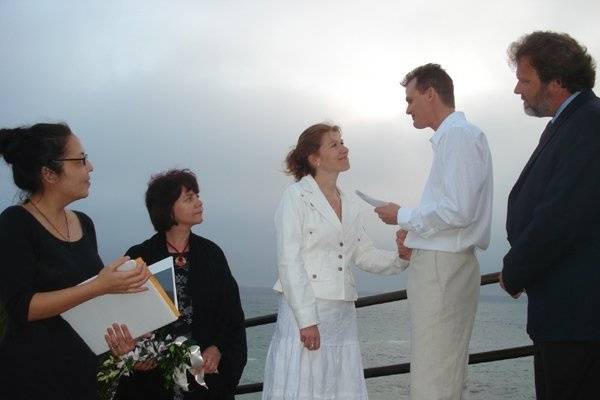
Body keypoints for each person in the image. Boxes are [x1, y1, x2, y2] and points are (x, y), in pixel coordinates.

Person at [0, 123, 150, 400]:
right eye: (80, 160)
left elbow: (90, 303)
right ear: (48, 173)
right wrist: (99, 286)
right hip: (31, 378)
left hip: (81, 374)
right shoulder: (15, 222)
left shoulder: (84, 223)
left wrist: (127, 332)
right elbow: (21, 306)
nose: (90, 167)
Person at [261, 123, 408, 400]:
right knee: (303, 388)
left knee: (337, 387)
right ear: (314, 158)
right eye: (335, 144)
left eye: (343, 142)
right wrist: (306, 321)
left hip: (341, 316)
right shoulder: (295, 198)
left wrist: (400, 258)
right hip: (306, 312)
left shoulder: (349, 204)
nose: (344, 148)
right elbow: (289, 261)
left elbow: (364, 254)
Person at [374, 64, 493, 399]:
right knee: (440, 372)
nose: (407, 107)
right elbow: (458, 213)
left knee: (433, 377)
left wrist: (403, 216)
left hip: (443, 270)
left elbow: (457, 210)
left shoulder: (457, 136)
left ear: (430, 93)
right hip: (445, 264)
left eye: (411, 99)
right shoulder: (458, 137)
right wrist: (415, 238)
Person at [500, 31, 600, 399]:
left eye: (524, 80)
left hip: (580, 317)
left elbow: (560, 216)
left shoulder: (589, 124)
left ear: (556, 81)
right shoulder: (566, 123)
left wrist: (514, 272)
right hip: (563, 314)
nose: (517, 90)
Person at [113, 169, 247, 400]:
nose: (199, 202)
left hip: (202, 377)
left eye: (197, 195)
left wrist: (217, 348)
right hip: (151, 380)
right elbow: (125, 316)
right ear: (167, 209)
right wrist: (136, 356)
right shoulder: (140, 256)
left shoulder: (212, 254)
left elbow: (232, 315)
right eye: (189, 198)